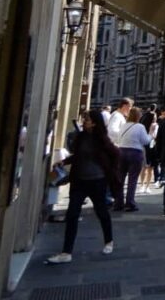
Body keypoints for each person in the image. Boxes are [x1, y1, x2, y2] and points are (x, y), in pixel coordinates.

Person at [45, 110, 119, 264]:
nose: (84, 121)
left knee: (101, 212)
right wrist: (64, 162)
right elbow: (77, 156)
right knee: (72, 214)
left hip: (97, 181)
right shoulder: (81, 137)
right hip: (79, 181)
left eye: (88, 119)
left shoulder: (102, 140)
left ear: (95, 122)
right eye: (85, 119)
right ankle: (66, 252)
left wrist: (109, 173)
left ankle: (109, 241)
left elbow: (116, 155)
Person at [115, 106, 151, 211]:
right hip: (135, 152)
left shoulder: (123, 126)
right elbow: (145, 141)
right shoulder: (140, 127)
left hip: (121, 151)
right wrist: (151, 135)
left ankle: (118, 202)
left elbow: (117, 138)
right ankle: (130, 203)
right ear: (138, 116)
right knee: (133, 179)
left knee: (120, 178)